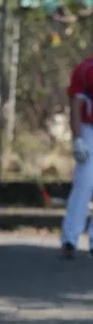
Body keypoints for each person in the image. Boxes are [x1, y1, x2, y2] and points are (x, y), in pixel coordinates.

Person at [60, 54, 93, 259]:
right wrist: (77, 138)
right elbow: (75, 105)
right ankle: (70, 239)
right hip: (89, 128)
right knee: (85, 182)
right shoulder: (86, 70)